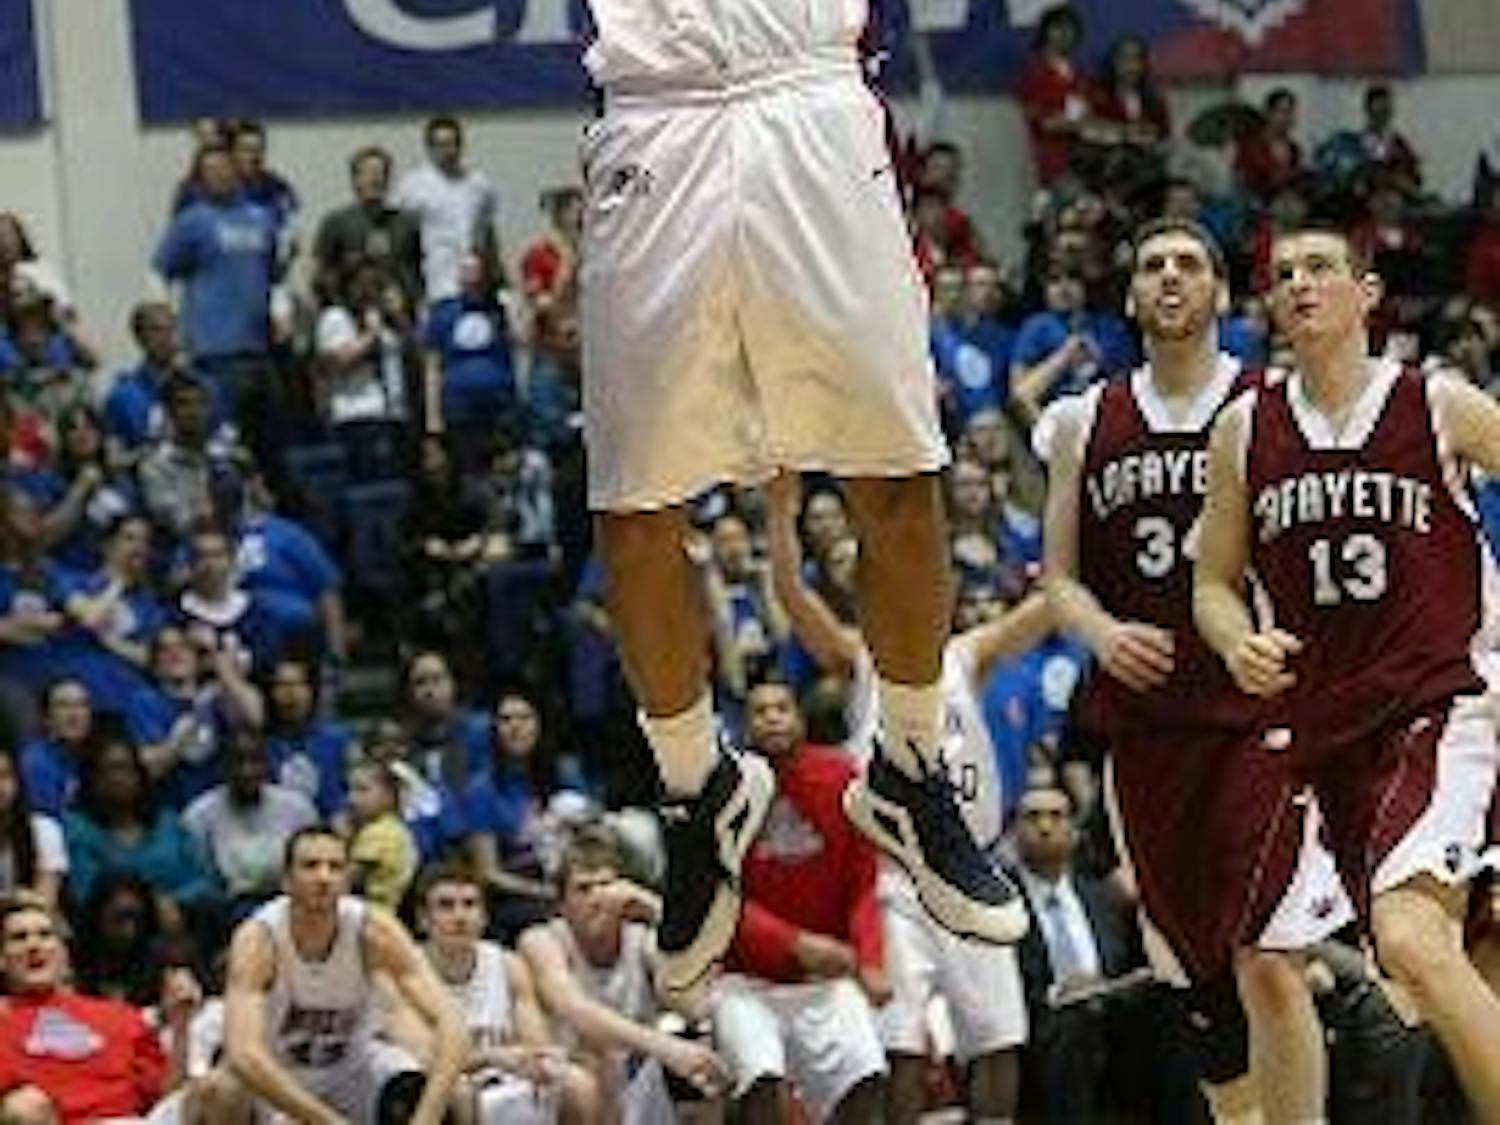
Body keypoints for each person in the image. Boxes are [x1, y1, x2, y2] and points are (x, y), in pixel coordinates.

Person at [580, 0, 1025, 996]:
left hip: (812, 98)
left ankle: (910, 767)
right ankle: (699, 790)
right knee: (631, 508)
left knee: (901, 475)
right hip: (656, 115)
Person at [1040, 218, 1351, 1123]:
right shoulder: (1081, 419)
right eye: (1151, 265)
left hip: (1260, 723)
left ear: (1220, 292)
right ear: (1130, 295)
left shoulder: (1276, 405)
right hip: (1146, 734)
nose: (1170, 277)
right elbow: (1058, 580)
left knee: (1271, 958)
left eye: (1189, 264)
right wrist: (1099, 631)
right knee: (1200, 981)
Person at [1194, 225, 1500, 1122]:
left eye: (1319, 268)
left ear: (1368, 294)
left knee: (1411, 940)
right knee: (1369, 969)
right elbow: (1212, 579)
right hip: (1322, 729)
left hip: (1444, 700)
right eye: (1283, 274)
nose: (1298, 284)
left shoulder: (1436, 403)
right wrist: (1233, 639)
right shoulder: (1246, 428)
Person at [765, 474, 1046, 1124]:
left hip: (971, 865)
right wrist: (782, 512)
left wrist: (1068, 504)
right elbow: (789, 593)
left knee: (999, 1037)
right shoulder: (861, 660)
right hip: (894, 878)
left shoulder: (966, 657)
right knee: (902, 1042)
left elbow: (1052, 603)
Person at [710, 678, 888, 1123]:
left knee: (866, 1074)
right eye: (760, 710)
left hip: (824, 980)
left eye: (782, 707)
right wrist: (795, 942)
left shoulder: (842, 777)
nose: (772, 717)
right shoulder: (722, 790)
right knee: (762, 1079)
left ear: (801, 719)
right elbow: (719, 897)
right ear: (743, 726)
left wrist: (871, 960)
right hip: (745, 978)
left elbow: (864, 882)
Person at [221, 825, 469, 1124]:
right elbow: (244, 1054)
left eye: (335, 867)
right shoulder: (259, 939)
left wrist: (426, 1118)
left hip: (351, 1072)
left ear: (347, 880)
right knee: (220, 1091)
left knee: (442, 1093)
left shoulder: (375, 929)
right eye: (311, 866)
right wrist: (328, 1121)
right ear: (286, 880)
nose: (324, 877)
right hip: (280, 1077)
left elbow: (452, 1024)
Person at [519, 826, 731, 1121]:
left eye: (606, 886)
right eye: (583, 889)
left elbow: (702, 991)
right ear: (561, 904)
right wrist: (666, 1048)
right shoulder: (542, 941)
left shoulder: (641, 939)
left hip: (640, 1068)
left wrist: (655, 908)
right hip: (569, 1077)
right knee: (601, 1057)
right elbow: (576, 1011)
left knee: (712, 1048)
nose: (597, 898)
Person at [406, 861, 600, 1124]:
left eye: (470, 904)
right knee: (459, 1091)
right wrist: (491, 1057)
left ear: (484, 916)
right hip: (442, 1084)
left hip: (505, 1075)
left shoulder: (507, 965)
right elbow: (422, 1058)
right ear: (423, 919)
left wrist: (543, 1059)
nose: (460, 916)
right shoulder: (408, 970)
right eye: (446, 906)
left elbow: (535, 1041)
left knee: (579, 1084)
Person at [0, 895, 203, 1124]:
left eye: (45, 935)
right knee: (23, 1107)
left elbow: (168, 1099)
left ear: (63, 952)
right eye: (19, 938)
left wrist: (181, 1027)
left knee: (218, 1088)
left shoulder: (120, 1016)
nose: (33, 946)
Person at [182, 728, 318, 918]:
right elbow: (200, 880)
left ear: (267, 764)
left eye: (255, 761)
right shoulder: (199, 816)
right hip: (226, 914)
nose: (247, 771)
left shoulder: (298, 809)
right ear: (222, 767)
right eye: (237, 763)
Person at [393, 117, 499, 303]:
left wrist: (496, 279)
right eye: (441, 145)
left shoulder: (479, 185)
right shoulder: (412, 186)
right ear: (429, 148)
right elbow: (401, 241)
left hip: (473, 283)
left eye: (453, 144)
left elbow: (488, 235)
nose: (448, 151)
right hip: (434, 284)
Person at [313, 145, 424, 306]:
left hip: (397, 309)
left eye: (380, 173)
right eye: (368, 173)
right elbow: (320, 273)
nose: (375, 179)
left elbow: (415, 273)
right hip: (349, 309)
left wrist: (407, 296)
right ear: (355, 180)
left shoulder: (406, 224)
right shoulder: (336, 222)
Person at [0, 742, 68, 910]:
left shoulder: (43, 829)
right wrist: (15, 898)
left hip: (25, 925)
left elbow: (44, 904)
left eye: (4, 776)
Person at [348, 759, 419, 911]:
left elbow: (346, 879)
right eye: (351, 790)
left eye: (363, 790)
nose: (352, 799)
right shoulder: (396, 828)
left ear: (389, 795)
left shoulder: (380, 832)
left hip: (378, 913)